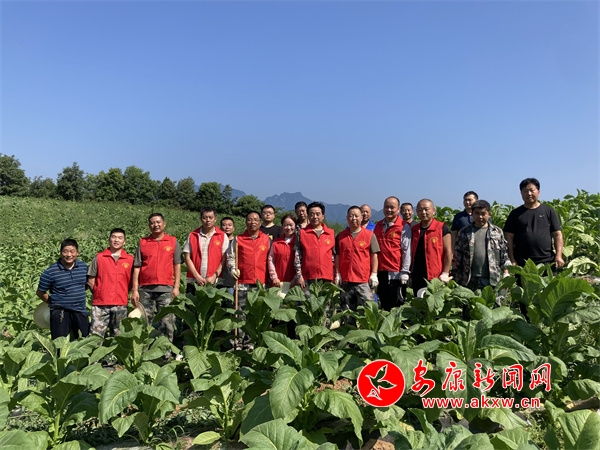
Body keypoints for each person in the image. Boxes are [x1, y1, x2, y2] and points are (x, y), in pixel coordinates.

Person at [131, 213, 181, 342]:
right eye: (152, 223)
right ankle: (143, 350)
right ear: (149, 226)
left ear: (164, 224)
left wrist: (176, 287)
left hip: (166, 289)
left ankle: (165, 350)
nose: (156, 225)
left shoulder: (173, 241)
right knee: (143, 322)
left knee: (167, 322)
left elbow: (177, 265)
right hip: (145, 289)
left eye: (158, 222)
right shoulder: (143, 242)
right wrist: (135, 290)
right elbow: (137, 267)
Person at [503, 178, 564, 271]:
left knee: (548, 280)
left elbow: (557, 235)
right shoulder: (515, 214)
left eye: (532, 190)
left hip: (546, 261)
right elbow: (508, 238)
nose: (529, 194)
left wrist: (559, 255)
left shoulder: (548, 211)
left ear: (538, 192)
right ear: (521, 193)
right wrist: (512, 259)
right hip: (522, 262)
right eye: (525, 191)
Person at [36, 238, 89, 340]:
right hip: (60, 312)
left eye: (72, 251)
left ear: (77, 253)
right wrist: (54, 302)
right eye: (65, 251)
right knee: (59, 341)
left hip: (80, 310)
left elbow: (85, 285)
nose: (69, 255)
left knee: (84, 340)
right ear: (60, 253)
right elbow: (40, 292)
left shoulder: (83, 267)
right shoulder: (50, 272)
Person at [87, 228, 134, 338]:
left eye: (120, 238)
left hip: (120, 304)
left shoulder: (130, 259)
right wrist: (100, 293)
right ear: (109, 240)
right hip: (100, 304)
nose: (116, 240)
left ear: (124, 241)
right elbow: (91, 280)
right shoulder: (99, 258)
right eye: (114, 237)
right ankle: (97, 350)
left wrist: (123, 292)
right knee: (95, 336)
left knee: (119, 336)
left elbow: (132, 281)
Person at [454, 200, 511, 290]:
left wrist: (506, 273)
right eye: (477, 213)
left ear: (489, 214)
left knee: (490, 298)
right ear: (472, 214)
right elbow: (458, 255)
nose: (480, 217)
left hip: (492, 278)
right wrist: (456, 276)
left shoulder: (497, 232)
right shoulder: (464, 232)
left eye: (483, 214)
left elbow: (504, 255)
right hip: (468, 279)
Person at [335, 206, 380, 318]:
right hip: (346, 281)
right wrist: (337, 273)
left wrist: (374, 274)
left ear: (361, 218)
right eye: (351, 216)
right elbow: (337, 256)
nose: (353, 218)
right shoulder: (341, 236)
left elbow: (374, 255)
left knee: (369, 312)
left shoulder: (370, 235)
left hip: (363, 280)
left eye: (356, 216)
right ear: (347, 218)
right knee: (347, 313)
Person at [373, 196, 412, 310]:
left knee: (396, 305)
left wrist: (405, 271)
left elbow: (407, 251)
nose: (389, 210)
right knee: (383, 304)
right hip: (381, 271)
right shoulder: (378, 225)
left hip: (396, 273)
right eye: (386, 207)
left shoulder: (403, 226)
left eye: (392, 207)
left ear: (398, 209)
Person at [226, 211, 271, 307]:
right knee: (241, 311)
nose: (252, 222)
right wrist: (232, 269)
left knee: (258, 312)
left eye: (255, 220)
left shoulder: (266, 239)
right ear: (246, 223)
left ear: (260, 223)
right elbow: (230, 257)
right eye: (249, 220)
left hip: (261, 283)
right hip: (242, 283)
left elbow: (271, 260)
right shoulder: (238, 239)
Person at [183, 207, 228, 295]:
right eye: (205, 217)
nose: (208, 220)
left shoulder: (222, 236)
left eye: (210, 217)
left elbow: (224, 259)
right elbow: (187, 258)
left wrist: (214, 276)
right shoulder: (193, 235)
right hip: (194, 280)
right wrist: (197, 276)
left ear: (215, 219)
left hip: (215, 280)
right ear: (201, 219)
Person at [411, 199, 453, 293]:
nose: (423, 212)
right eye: (420, 210)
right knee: (418, 300)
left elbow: (448, 253)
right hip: (417, 274)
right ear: (417, 212)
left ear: (433, 211)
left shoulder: (442, 228)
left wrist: (445, 272)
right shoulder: (414, 229)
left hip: (436, 276)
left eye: (426, 209)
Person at [295, 202, 336, 287]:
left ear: (323, 216)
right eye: (312, 214)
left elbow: (334, 256)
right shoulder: (302, 233)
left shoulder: (330, 233)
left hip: (327, 276)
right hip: (308, 276)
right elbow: (297, 255)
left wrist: (335, 274)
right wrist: (299, 276)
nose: (315, 217)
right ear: (308, 216)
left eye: (318, 214)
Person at [268, 214, 298, 287]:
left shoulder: (298, 242)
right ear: (282, 226)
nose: (288, 228)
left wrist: (296, 278)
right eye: (286, 225)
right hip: (278, 281)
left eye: (291, 225)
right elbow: (271, 260)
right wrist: (274, 277)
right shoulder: (276, 242)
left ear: (295, 226)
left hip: (295, 282)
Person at [217, 216, 236, 294]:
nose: (227, 227)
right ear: (220, 228)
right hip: (217, 279)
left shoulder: (236, 242)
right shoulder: (216, 242)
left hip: (231, 281)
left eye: (229, 225)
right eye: (224, 225)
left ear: (233, 228)